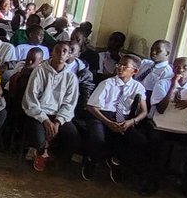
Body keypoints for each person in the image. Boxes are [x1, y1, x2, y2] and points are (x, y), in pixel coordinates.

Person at [136, 57, 187, 198]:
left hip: (180, 126)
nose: (181, 70)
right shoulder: (163, 83)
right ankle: (150, 181)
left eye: (185, 67)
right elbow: (160, 109)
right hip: (159, 124)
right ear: (172, 69)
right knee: (154, 143)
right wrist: (172, 88)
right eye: (177, 67)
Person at [82, 54, 148, 182]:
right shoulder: (107, 83)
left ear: (134, 71)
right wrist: (108, 122)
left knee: (139, 140)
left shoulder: (138, 87)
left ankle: (116, 161)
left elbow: (144, 111)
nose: (120, 67)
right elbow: (91, 107)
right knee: (98, 139)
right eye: (119, 64)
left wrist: (131, 121)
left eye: (125, 65)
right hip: (101, 116)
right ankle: (92, 160)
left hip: (123, 118)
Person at [21, 42, 81, 172]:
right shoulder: (39, 71)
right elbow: (30, 99)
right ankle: (41, 151)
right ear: (51, 53)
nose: (60, 54)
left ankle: (56, 157)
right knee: (38, 139)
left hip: (58, 115)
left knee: (72, 134)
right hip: (39, 113)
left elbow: (69, 104)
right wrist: (45, 120)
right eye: (57, 51)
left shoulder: (71, 77)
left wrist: (58, 121)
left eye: (64, 51)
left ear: (69, 55)